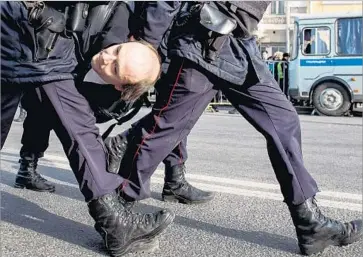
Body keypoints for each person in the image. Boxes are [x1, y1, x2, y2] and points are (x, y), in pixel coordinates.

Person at [105, 2, 362, 256]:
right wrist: (148, 46)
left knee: (284, 121)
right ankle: (119, 214)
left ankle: (310, 223)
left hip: (237, 44)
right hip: (200, 40)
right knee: (165, 129)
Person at [1, 1, 174, 256]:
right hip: (28, 21)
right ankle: (115, 223)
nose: (106, 58)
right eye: (115, 52)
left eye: (115, 67)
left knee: (74, 121)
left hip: (34, 24)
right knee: (78, 124)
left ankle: (115, 221)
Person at [14, 1, 214, 205]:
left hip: (151, 51)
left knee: (174, 113)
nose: (108, 58)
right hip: (119, 42)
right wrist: (142, 47)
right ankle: (29, 166)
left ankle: (169, 177)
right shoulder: (117, 34)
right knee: (44, 107)